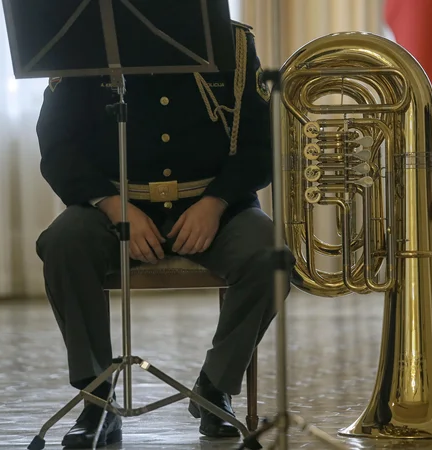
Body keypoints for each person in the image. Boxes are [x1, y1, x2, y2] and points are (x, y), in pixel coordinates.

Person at [34, 19, 291, 448]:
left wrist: (217, 201)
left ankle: (214, 390)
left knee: (270, 255)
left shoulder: (233, 43)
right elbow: (57, 147)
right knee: (64, 242)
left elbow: (262, 144)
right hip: (113, 206)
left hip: (214, 204)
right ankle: (97, 399)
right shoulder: (86, 38)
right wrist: (115, 207)